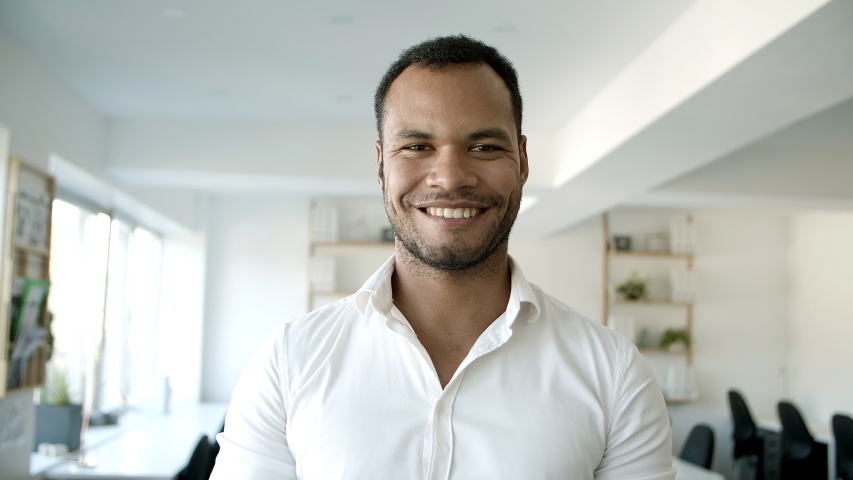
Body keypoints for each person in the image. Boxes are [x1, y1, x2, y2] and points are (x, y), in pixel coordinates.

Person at [211, 35, 674, 480]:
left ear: (523, 161)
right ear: (380, 166)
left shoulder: (615, 375)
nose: (450, 177)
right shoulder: (289, 361)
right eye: (417, 146)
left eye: (484, 147)